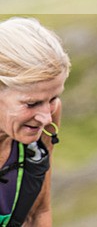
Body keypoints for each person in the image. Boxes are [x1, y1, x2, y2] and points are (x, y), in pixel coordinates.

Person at [0, 18, 70, 227]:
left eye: (53, 98)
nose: (46, 118)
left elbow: (38, 211)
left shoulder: (46, 119)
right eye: (31, 103)